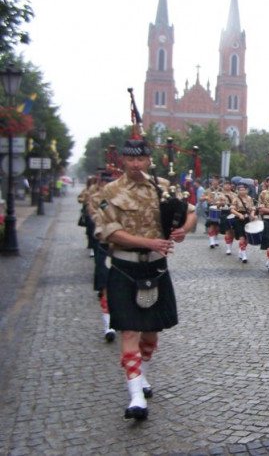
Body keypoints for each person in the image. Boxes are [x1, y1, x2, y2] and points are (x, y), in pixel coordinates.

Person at [98, 137, 196, 421]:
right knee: (129, 330)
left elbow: (190, 213)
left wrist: (183, 231)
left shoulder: (162, 187)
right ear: (123, 160)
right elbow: (110, 231)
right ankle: (136, 397)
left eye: (140, 159)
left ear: (148, 160)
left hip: (156, 268)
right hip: (125, 265)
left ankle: (142, 372)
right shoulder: (111, 190)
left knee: (152, 331)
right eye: (130, 159)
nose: (135, 164)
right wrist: (149, 242)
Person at [87, 171, 117, 342]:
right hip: (106, 246)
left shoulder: (124, 199)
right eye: (104, 183)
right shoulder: (97, 199)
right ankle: (109, 326)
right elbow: (95, 217)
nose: (106, 186)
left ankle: (121, 320)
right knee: (106, 287)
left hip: (125, 250)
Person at [229, 182, 256, 263]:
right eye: (240, 190)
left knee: (247, 237)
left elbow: (253, 208)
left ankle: (241, 249)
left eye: (244, 190)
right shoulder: (235, 199)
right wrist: (239, 214)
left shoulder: (249, 198)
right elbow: (232, 209)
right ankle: (244, 254)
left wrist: (252, 214)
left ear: (246, 190)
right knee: (241, 237)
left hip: (247, 219)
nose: (242, 191)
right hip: (239, 219)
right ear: (238, 191)